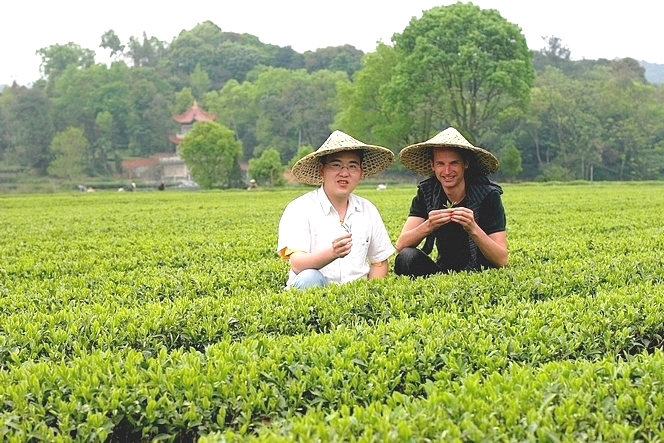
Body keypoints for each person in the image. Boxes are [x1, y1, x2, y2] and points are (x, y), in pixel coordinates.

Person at [277, 130, 396, 289]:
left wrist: (372, 294)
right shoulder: (299, 208)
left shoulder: (368, 210)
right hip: (312, 293)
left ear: (360, 172)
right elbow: (297, 264)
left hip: (355, 297)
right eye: (336, 165)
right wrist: (332, 253)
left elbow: (379, 261)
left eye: (352, 166)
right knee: (310, 277)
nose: (344, 173)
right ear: (322, 170)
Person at [394, 127, 508, 278]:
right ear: (432, 165)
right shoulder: (427, 192)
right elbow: (401, 245)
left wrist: (473, 228)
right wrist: (429, 225)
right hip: (442, 271)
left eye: (454, 163)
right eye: (441, 164)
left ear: (465, 164)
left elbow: (502, 260)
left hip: (481, 272)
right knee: (406, 258)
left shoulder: (488, 195)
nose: (447, 171)